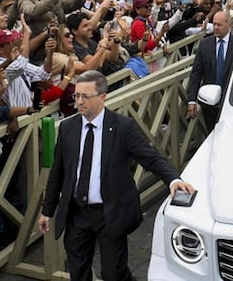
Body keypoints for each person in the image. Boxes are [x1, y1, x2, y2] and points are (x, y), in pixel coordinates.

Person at [38, 71, 193, 281]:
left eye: (86, 96)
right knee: (78, 272)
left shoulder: (122, 127)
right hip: (77, 214)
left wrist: (174, 179)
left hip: (110, 213)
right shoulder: (68, 128)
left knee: (113, 274)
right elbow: (58, 172)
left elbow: (151, 158)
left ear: (102, 97)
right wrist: (47, 210)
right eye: (77, 96)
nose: (79, 102)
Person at [186, 11, 233, 131]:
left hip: (230, 103)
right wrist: (192, 100)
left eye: (219, 25)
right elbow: (196, 74)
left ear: (229, 25)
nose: (215, 28)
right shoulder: (205, 44)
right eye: (214, 24)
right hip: (208, 104)